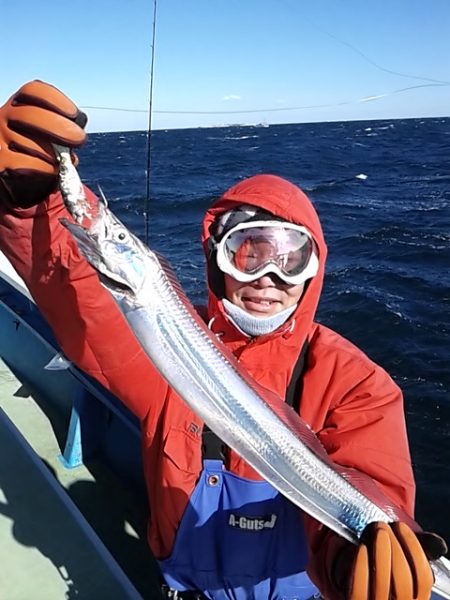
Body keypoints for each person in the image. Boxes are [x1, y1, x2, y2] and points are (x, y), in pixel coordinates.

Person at [0, 81, 446, 600]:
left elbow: (374, 486)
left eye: (291, 257)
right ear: (216, 260)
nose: (268, 277)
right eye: (248, 253)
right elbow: (78, 296)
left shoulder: (357, 382)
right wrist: (29, 203)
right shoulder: (170, 351)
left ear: (313, 270)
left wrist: (361, 556)